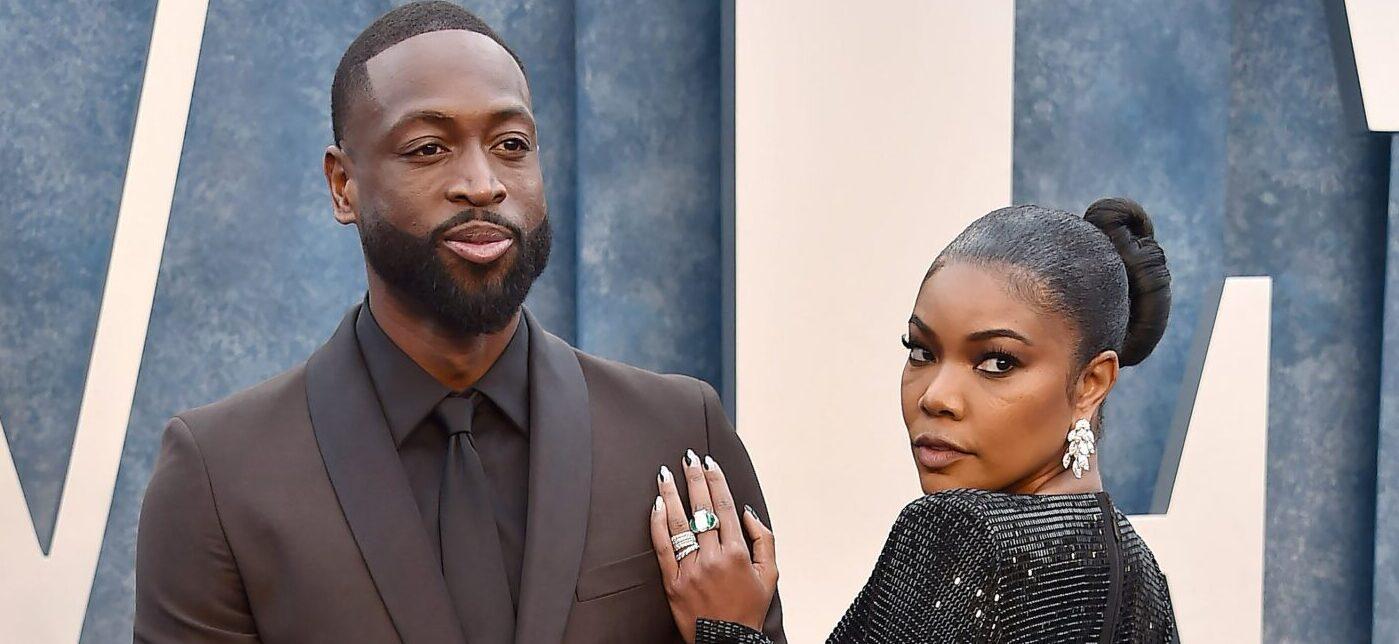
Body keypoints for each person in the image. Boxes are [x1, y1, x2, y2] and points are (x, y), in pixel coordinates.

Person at [134, 3, 784, 643]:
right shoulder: (221, 474)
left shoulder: (674, 434)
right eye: (428, 148)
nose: (481, 183)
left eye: (510, 145)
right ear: (342, 185)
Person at [649, 199, 1178, 643]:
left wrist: (727, 624)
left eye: (997, 362)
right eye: (921, 352)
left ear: (1091, 383)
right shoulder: (1142, 579)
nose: (937, 396)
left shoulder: (963, 534)